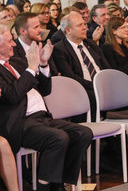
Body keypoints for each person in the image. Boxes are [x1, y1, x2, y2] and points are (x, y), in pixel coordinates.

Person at [0, 24, 93, 190]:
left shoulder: (18, 62)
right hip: (20, 123)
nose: (14, 44)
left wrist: (42, 65)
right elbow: (12, 95)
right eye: (9, 41)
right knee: (58, 138)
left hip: (43, 117)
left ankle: (57, 183)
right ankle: (44, 186)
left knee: (83, 133)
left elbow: (45, 89)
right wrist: (32, 67)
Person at [53, 12, 111, 122]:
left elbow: (105, 66)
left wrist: (106, 82)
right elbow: (70, 77)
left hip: (102, 85)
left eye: (85, 24)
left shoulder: (91, 43)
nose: (85, 28)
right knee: (94, 98)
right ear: (68, 30)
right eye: (80, 25)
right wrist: (96, 85)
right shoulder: (60, 49)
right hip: (83, 89)